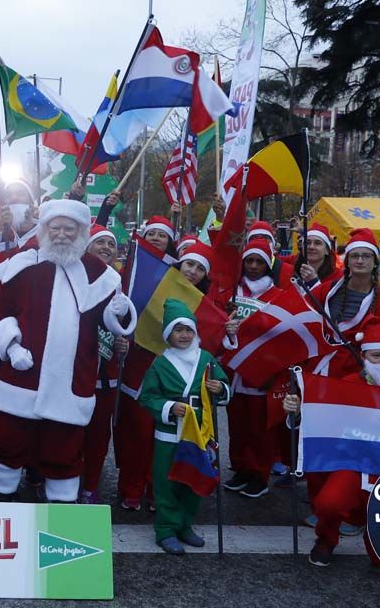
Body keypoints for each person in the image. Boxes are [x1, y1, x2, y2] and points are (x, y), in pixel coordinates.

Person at [0, 198, 137, 504]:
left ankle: (61, 516)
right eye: (56, 228)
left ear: (82, 232)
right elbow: (0, 314)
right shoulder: (22, 264)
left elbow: (106, 321)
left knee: (64, 451)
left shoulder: (101, 273)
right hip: (21, 378)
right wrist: (12, 346)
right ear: (44, 229)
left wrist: (117, 311)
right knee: (8, 445)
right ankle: (1, 506)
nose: (62, 234)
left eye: (70, 229)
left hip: (71, 381)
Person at [283, 319, 380, 567]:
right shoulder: (347, 385)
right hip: (354, 462)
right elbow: (322, 419)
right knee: (329, 504)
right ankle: (326, 539)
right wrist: (297, 411)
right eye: (377, 355)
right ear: (364, 357)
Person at [138, 300, 231, 554]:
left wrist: (219, 389)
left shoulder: (207, 359)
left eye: (188, 330)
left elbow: (225, 388)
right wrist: (169, 407)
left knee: (193, 480)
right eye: (178, 330)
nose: (184, 335)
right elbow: (147, 397)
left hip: (199, 433)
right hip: (169, 434)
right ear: (168, 333)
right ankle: (166, 529)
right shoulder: (161, 363)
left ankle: (185, 525)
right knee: (167, 482)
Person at [114, 214, 177, 510]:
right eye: (150, 234)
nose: (155, 239)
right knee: (132, 431)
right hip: (135, 363)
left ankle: (156, 488)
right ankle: (131, 487)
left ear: (170, 241)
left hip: (165, 363)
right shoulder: (130, 271)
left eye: (161, 236)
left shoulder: (178, 277)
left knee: (160, 433)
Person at [222, 238, 288, 498]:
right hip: (234, 372)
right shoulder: (232, 292)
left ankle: (259, 475)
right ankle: (241, 469)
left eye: (259, 261)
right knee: (237, 426)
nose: (253, 266)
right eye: (249, 260)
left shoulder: (278, 296)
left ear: (268, 264)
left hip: (262, 374)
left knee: (261, 429)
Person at [309, 227, 380, 378]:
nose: (360, 261)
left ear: (375, 262)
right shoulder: (326, 291)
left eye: (366, 256)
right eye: (355, 256)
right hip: (315, 370)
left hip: (355, 379)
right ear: (347, 261)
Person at [80, 223, 129, 504]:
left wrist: (125, 343)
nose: (106, 248)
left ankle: (90, 485)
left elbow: (128, 325)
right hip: (75, 374)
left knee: (98, 436)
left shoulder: (120, 283)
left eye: (111, 244)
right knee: (72, 433)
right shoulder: (73, 278)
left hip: (106, 377)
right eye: (100, 242)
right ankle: (66, 482)